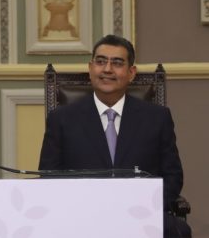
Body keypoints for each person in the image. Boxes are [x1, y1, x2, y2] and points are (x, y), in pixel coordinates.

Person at [38, 34, 191, 237]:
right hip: (81, 216)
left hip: (141, 213)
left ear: (131, 73)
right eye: (101, 62)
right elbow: (49, 177)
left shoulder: (157, 118)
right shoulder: (62, 118)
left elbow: (172, 176)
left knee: (179, 231)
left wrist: (143, 207)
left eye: (117, 63)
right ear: (91, 68)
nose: (107, 69)